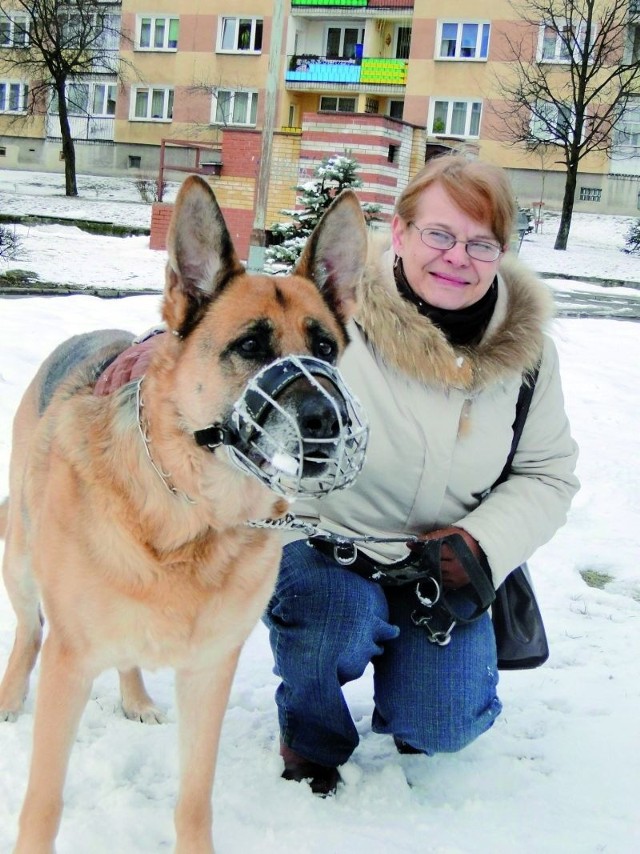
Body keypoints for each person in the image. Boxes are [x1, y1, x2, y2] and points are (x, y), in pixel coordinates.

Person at [263, 154, 579, 795]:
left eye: (480, 242)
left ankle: (412, 685)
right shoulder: (335, 309)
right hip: (328, 547)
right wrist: (153, 347)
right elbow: (228, 340)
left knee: (444, 725)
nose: (457, 257)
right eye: (439, 234)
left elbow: (548, 473)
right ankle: (311, 734)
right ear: (401, 233)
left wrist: (479, 545)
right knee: (334, 620)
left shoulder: (528, 351)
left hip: (440, 568)